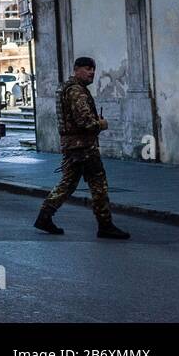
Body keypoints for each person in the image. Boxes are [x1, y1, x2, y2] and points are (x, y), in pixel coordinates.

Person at [34, 56, 130, 239]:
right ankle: (105, 225)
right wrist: (101, 124)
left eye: (93, 69)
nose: (92, 72)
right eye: (87, 69)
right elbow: (85, 122)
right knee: (98, 185)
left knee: (68, 184)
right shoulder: (77, 92)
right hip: (83, 147)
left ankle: (44, 217)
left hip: (73, 147)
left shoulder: (70, 89)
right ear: (76, 70)